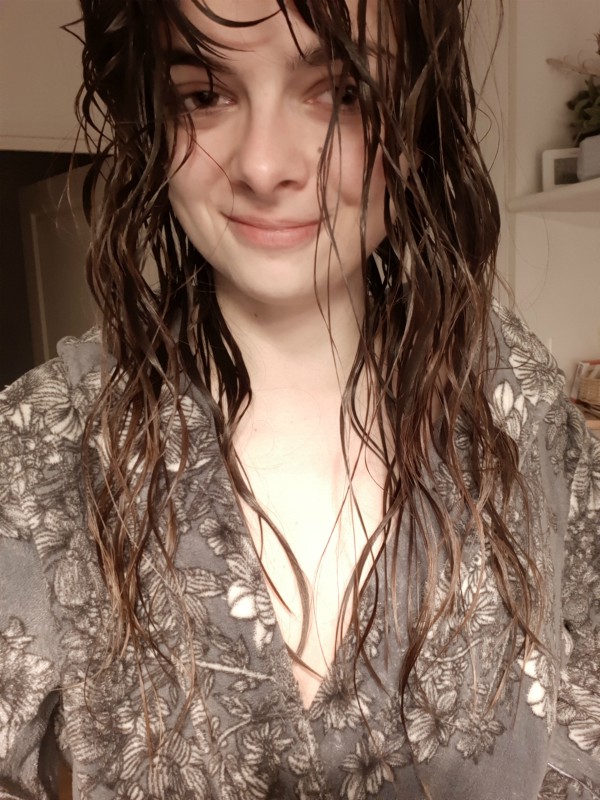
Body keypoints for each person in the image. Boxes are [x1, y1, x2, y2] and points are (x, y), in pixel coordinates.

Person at [0, 0, 598, 797]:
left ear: (416, 113)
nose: (262, 164)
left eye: (341, 92)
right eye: (205, 95)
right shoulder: (44, 445)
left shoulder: (521, 412)